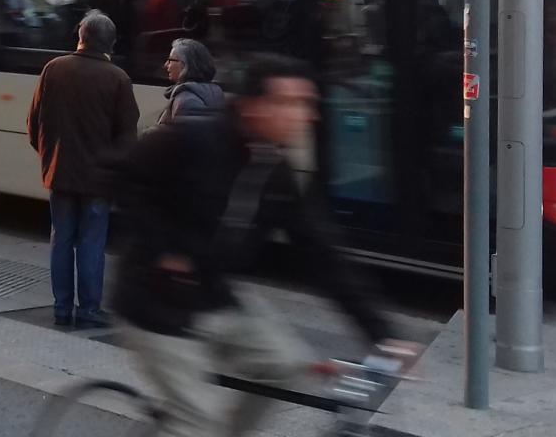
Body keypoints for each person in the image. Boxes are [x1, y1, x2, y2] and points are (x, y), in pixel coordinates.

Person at [109, 55, 414, 437]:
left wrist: (382, 335)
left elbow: (323, 255)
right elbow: (124, 174)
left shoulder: (275, 171)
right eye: (293, 103)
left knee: (288, 366)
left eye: (309, 104)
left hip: (214, 297)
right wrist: (165, 250)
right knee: (197, 422)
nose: (308, 116)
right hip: (153, 304)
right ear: (254, 106)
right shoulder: (192, 140)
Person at [27, 11, 140, 329]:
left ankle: (61, 308)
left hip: (60, 174)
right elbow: (126, 138)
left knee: (61, 238)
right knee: (92, 241)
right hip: (98, 180)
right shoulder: (117, 78)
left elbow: (34, 124)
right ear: (110, 44)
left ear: (80, 37)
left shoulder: (53, 69)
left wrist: (50, 158)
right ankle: (89, 309)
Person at [158, 38, 226, 126]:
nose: (166, 65)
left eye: (171, 60)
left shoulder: (186, 101)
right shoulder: (212, 93)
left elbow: (181, 137)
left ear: (186, 65)